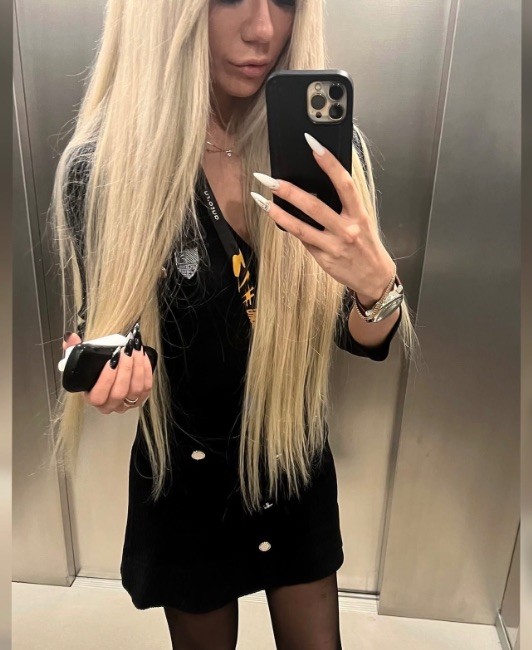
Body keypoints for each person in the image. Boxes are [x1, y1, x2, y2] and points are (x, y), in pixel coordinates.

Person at [49, 1, 418, 648]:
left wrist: (376, 289)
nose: (263, 30)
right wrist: (115, 373)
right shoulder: (107, 169)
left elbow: (358, 335)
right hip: (188, 482)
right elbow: (115, 332)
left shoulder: (322, 154)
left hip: (291, 459)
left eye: (284, 0)